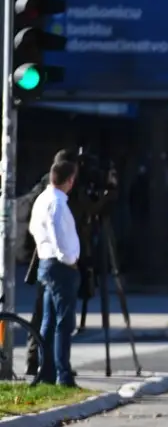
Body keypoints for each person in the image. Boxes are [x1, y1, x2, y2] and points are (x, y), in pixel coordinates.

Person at [22, 148, 79, 377]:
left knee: (48, 320)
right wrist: (67, 258)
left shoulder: (43, 199)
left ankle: (45, 371)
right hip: (59, 266)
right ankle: (62, 374)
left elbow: (34, 228)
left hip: (47, 262)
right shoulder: (56, 203)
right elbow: (57, 234)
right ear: (70, 180)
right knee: (64, 323)